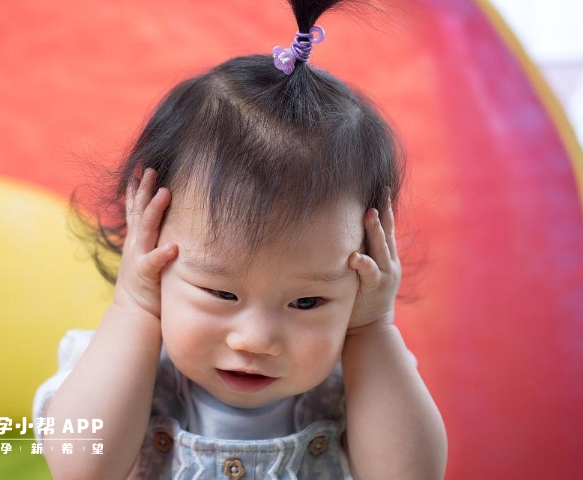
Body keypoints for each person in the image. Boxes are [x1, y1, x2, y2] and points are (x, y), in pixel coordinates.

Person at [33, 0, 448, 478]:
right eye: (220, 293)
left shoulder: (361, 381)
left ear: (365, 275)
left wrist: (373, 329)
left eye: (308, 301)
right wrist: (133, 305)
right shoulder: (121, 365)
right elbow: (81, 467)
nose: (256, 341)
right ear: (149, 250)